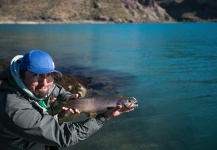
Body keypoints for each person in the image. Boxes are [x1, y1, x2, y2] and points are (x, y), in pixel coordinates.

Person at [0, 50, 134, 150]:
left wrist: (66, 98)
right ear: (21, 75)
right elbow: (63, 136)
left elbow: (55, 89)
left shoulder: (31, 86)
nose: (44, 82)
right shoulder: (14, 107)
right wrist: (103, 118)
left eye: (49, 75)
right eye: (36, 75)